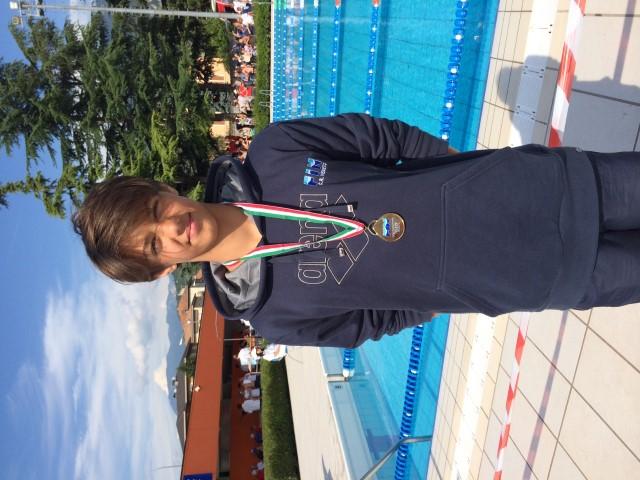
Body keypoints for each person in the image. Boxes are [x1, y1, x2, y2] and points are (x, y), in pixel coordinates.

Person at [72, 114, 640, 348]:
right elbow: (373, 322)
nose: (173, 226)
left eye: (157, 208)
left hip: (540, 188)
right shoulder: (271, 317)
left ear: (164, 189)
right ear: (163, 270)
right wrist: (452, 284)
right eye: (155, 244)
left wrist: (465, 180)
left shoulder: (274, 151)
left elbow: (382, 139)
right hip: (538, 277)